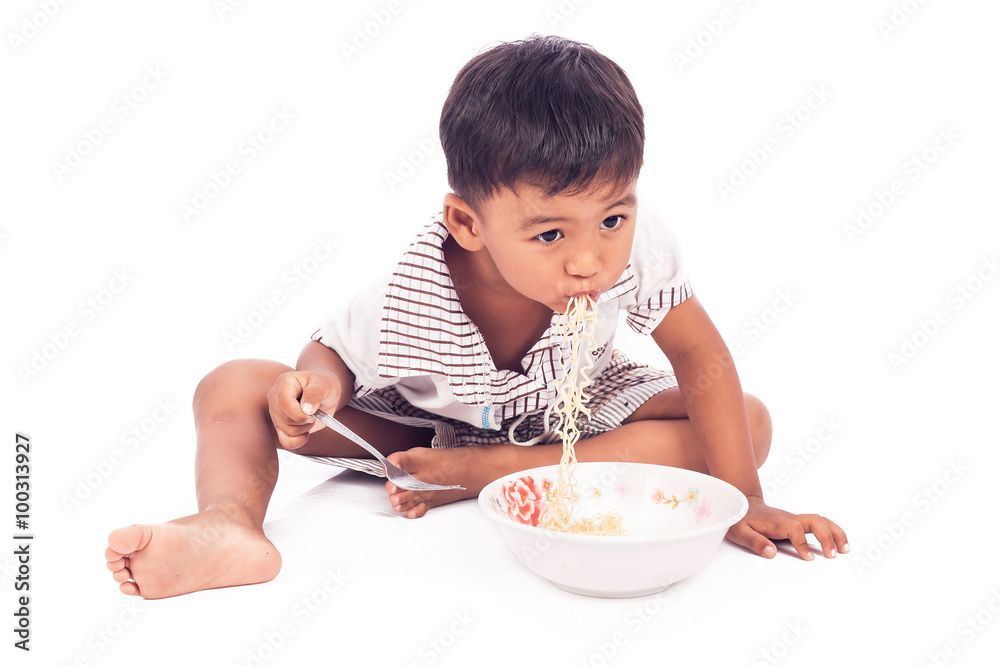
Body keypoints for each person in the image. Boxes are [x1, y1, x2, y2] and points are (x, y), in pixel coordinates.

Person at [105, 34, 848, 599]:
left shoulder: (640, 244)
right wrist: (312, 391)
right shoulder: (416, 287)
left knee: (746, 421)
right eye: (551, 234)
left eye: (612, 218)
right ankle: (231, 524)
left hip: (577, 416)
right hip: (425, 429)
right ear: (467, 223)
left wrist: (744, 497)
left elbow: (702, 358)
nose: (590, 260)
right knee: (233, 384)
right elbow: (330, 348)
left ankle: (489, 473)